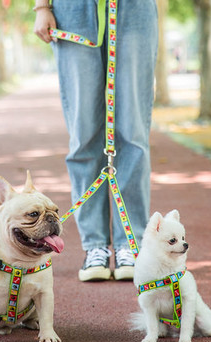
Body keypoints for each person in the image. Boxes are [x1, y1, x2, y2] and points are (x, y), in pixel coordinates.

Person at [34, 0, 158, 282]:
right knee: (84, 134)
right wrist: (42, 6)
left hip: (135, 9)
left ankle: (130, 243)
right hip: (73, 10)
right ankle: (95, 247)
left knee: (134, 132)